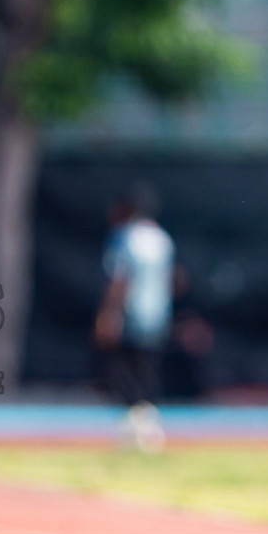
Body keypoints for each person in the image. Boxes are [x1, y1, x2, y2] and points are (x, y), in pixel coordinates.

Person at [93, 183, 174, 452]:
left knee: (123, 370)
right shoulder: (162, 239)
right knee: (147, 370)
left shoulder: (125, 237)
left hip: (129, 314)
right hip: (157, 314)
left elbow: (118, 279)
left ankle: (135, 426)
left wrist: (108, 313)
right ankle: (147, 424)